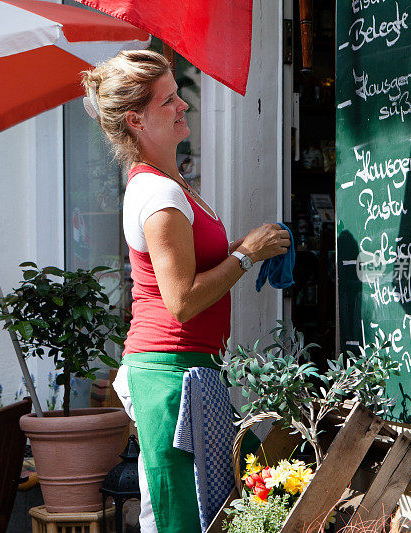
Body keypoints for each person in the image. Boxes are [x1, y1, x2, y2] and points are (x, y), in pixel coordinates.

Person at [81, 50, 290, 533]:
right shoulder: (159, 194)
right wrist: (245, 256)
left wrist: (247, 245)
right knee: (182, 514)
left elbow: (187, 268)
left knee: (206, 505)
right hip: (169, 373)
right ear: (135, 120)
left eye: (179, 96)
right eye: (169, 101)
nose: (184, 107)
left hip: (185, 369)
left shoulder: (169, 184)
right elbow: (182, 300)